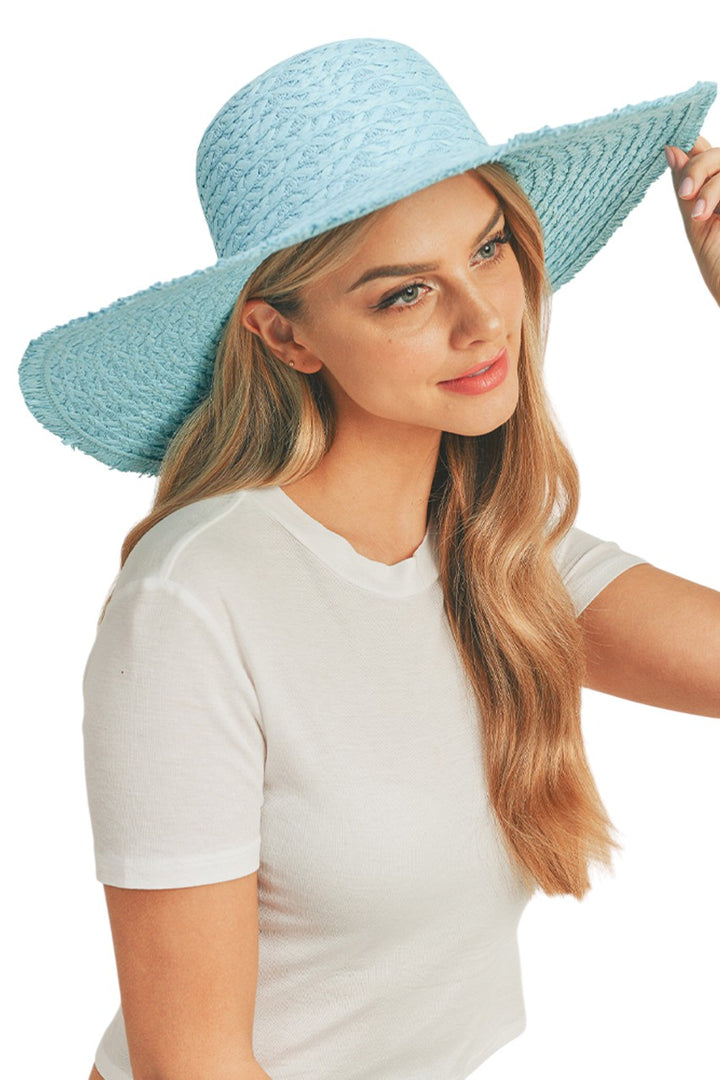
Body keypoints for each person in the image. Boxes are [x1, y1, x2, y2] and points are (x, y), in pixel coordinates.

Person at [18, 37, 720, 1080]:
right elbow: (189, 1064)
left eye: (488, 251)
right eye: (405, 294)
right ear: (284, 336)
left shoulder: (498, 550)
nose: (483, 321)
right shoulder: (195, 599)